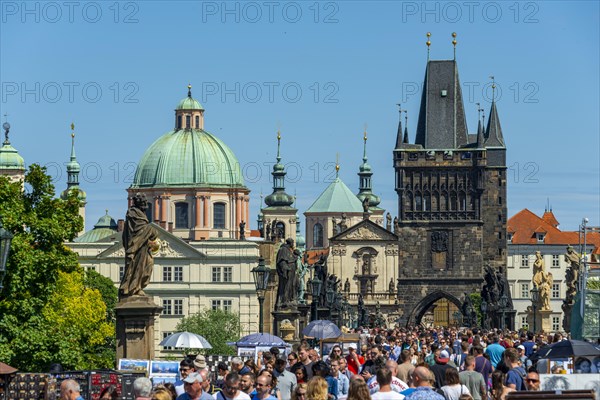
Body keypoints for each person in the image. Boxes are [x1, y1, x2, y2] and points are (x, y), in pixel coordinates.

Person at [119, 193, 158, 298]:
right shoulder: (133, 213)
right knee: (137, 267)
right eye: (144, 203)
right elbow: (138, 231)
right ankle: (134, 288)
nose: (146, 206)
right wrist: (151, 230)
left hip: (144, 247)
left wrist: (151, 232)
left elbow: (144, 230)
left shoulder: (140, 213)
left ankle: (138, 286)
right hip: (136, 247)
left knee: (148, 265)